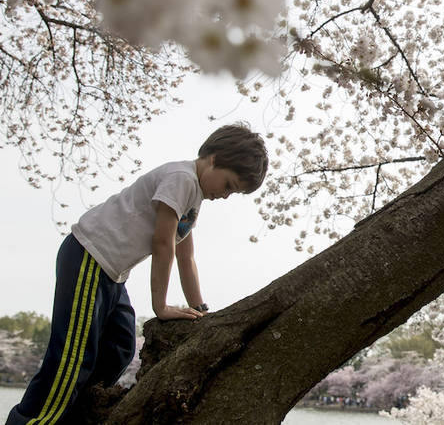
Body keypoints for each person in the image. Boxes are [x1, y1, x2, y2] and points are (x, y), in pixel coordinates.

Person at [5, 123, 267, 425]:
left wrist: (200, 310)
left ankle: (76, 413)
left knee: (121, 345)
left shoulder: (193, 195)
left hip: (114, 274)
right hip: (90, 256)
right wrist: (160, 306)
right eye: (229, 186)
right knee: (72, 356)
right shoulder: (180, 178)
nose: (225, 196)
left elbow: (186, 255)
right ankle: (32, 420)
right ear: (214, 159)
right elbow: (163, 244)